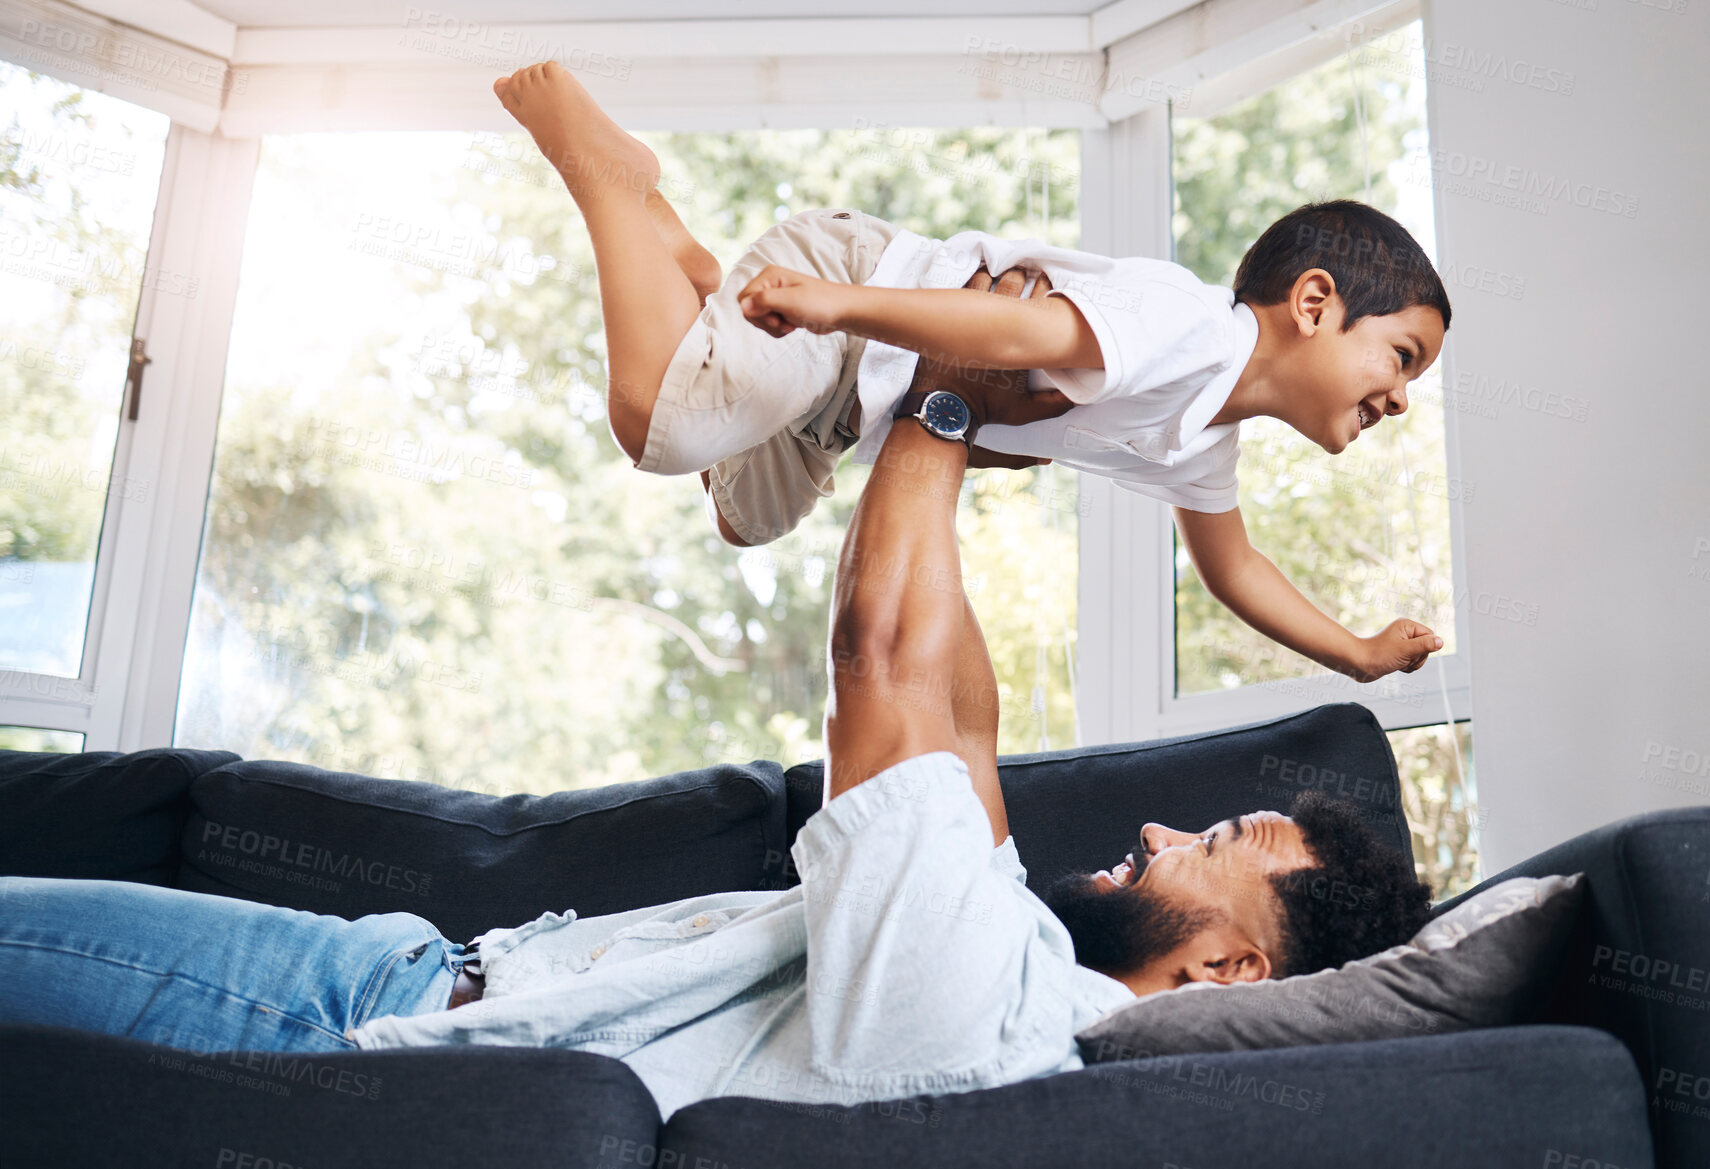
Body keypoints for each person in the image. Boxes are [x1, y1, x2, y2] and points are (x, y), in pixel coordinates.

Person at [0, 271, 1434, 1124]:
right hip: (419, 972)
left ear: (1226, 971)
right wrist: (1004, 444)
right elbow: (963, 719)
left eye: (1219, 848)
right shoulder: (1013, 965)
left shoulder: (990, 1016)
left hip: (359, 1018)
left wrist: (943, 396)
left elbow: (878, 662)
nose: (1165, 828)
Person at [491, 60, 1452, 686]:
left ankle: (699, 274)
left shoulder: (1203, 436)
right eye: (1401, 357)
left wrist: (1358, 653)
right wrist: (837, 305)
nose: (1402, 398)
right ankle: (604, 174)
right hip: (856, 291)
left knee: (749, 516)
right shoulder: (1191, 328)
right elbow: (1014, 332)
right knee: (661, 423)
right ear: (1315, 304)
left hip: (847, 399)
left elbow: (1234, 568)